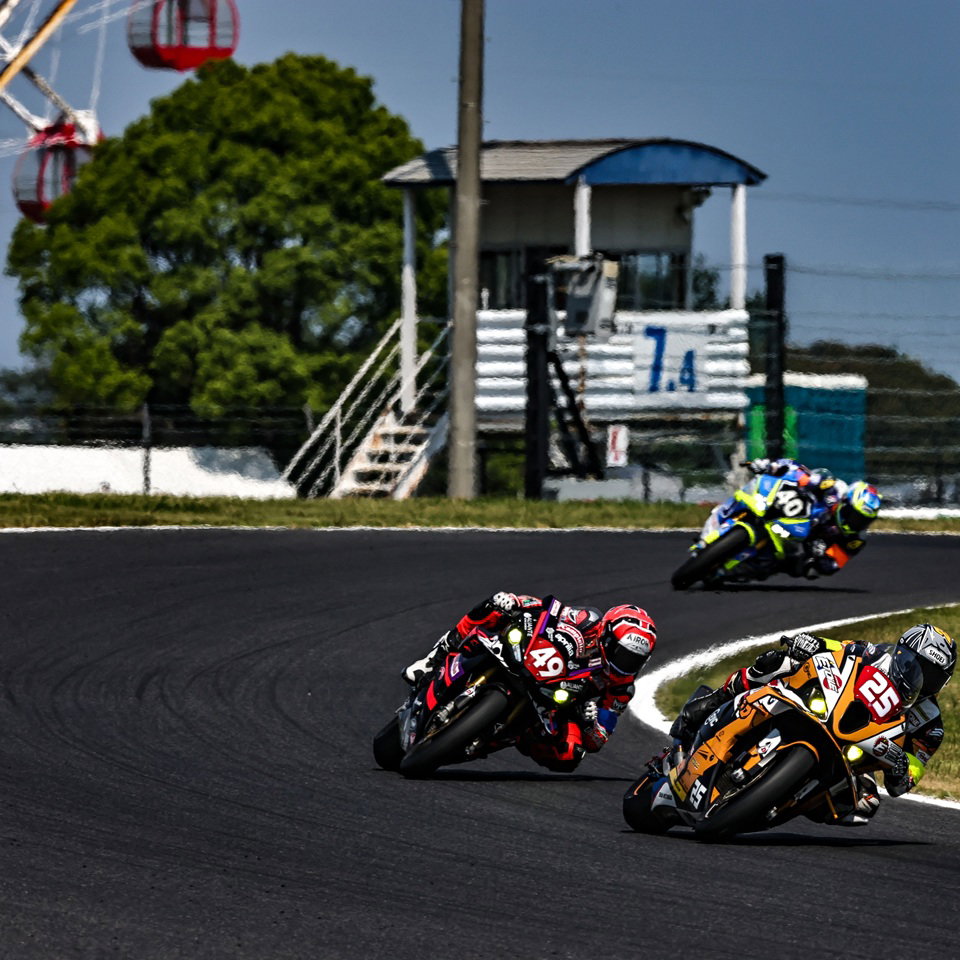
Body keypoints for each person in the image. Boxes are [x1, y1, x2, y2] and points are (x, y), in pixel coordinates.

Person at [670, 622, 955, 823]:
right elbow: (841, 648)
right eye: (915, 665)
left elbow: (908, 776)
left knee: (864, 806)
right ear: (902, 653)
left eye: (931, 676)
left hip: (855, 757)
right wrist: (812, 642)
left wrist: (904, 766)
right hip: (825, 711)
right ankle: (720, 697)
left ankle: (779, 804)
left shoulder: (931, 725)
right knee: (778, 663)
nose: (919, 677)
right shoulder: (877, 654)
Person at [403, 591, 657, 772]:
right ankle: (432, 659)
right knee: (494, 605)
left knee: (570, 754)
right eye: (622, 654)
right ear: (607, 635)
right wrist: (516, 602)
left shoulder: (621, 688)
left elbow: (598, 739)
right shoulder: (585, 620)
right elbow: (546, 610)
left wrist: (590, 723)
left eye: (634, 659)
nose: (625, 664)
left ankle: (502, 736)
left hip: (557, 706)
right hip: (529, 661)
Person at [744, 457, 882, 580]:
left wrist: (821, 556)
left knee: (806, 570)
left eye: (863, 520)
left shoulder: (856, 540)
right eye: (855, 516)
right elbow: (799, 471)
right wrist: (772, 466)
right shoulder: (832, 488)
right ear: (846, 502)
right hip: (788, 509)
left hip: (800, 542)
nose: (856, 523)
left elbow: (834, 564)